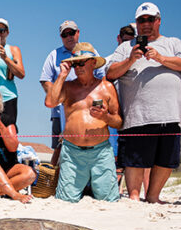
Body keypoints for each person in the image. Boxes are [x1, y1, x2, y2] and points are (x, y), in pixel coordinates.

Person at [106, 2, 181, 203]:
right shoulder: (125, 47)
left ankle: (153, 196)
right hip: (138, 115)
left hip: (169, 114)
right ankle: (135, 197)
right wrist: (130, 60)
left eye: (150, 19)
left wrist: (161, 58)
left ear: (158, 21)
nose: (145, 24)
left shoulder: (173, 43)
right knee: (135, 160)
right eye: (141, 20)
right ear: (136, 23)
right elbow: (110, 73)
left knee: (166, 159)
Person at [45, 44, 123, 203]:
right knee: (66, 201)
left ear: (93, 63)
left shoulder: (107, 87)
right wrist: (62, 75)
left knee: (109, 200)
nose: (78, 67)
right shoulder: (67, 86)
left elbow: (119, 122)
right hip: (72, 153)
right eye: (75, 63)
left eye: (82, 62)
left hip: (100, 152)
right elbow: (50, 102)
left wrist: (105, 117)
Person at [40, 20, 107, 152]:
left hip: (90, 110)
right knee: (60, 149)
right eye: (65, 34)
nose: (69, 37)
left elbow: (102, 76)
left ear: (78, 33)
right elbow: (45, 80)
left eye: (71, 33)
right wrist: (57, 96)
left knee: (91, 147)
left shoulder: (91, 52)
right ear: (61, 37)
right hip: (60, 113)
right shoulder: (53, 55)